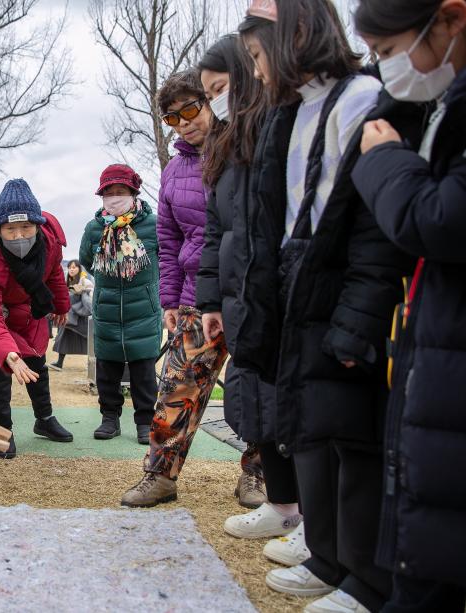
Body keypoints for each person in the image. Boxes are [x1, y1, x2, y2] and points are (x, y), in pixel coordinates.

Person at [236, 1, 420, 610]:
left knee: (352, 432)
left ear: (295, 36)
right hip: (297, 276)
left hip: (341, 280)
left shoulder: (359, 99)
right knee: (309, 424)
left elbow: (371, 229)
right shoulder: (289, 112)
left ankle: (365, 577)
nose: (257, 73)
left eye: (260, 57)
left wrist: (358, 319)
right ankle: (329, 554)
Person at [352, 1, 466, 610]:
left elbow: (441, 219)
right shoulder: (441, 100)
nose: (386, 70)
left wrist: (384, 158)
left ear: (450, 20)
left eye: (391, 52)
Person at [196, 34, 308, 557]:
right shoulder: (223, 147)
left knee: (293, 403)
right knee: (254, 400)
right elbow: (218, 232)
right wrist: (211, 301)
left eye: (220, 88)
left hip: (278, 286)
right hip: (240, 293)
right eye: (209, 92)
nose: (216, 100)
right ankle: (282, 504)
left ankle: (311, 517)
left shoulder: (280, 127)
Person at [119, 70, 227, 507]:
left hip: (244, 288)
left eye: (191, 109)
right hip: (193, 296)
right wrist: (170, 298)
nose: (183, 123)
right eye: (171, 117)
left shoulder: (246, 148)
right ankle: (160, 475)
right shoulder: (173, 169)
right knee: (177, 390)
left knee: (256, 390)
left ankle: (260, 474)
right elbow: (168, 239)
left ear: (210, 102)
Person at [0, 179, 74, 459]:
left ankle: (44, 419)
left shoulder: (50, 242)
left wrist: (61, 304)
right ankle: (1, 432)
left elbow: (54, 275)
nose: (18, 235)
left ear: (38, 225)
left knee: (37, 361)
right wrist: (7, 354)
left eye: (25, 227)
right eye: (10, 229)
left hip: (30, 305)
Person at [80, 164, 161, 446]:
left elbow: (167, 257)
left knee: (144, 372)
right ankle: (109, 419)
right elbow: (85, 260)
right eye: (109, 193)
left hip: (145, 309)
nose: (114, 197)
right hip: (108, 307)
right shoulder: (94, 228)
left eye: (120, 191)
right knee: (107, 369)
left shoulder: (153, 225)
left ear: (133, 193)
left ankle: (144, 421)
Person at [47, 260, 93, 372]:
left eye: (74, 267)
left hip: (80, 317)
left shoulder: (84, 281)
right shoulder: (67, 281)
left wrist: (91, 310)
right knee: (63, 338)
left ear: (79, 269)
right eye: (70, 267)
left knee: (89, 342)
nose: (71, 269)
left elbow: (87, 300)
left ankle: (92, 364)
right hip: (69, 318)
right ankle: (59, 363)